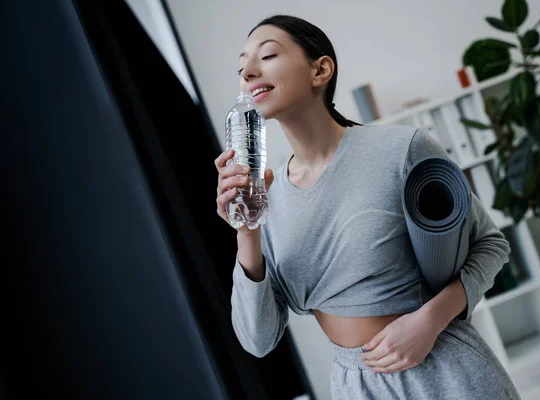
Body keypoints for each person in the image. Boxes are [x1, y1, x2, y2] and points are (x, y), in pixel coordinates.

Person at [214, 14, 520, 400]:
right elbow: (258, 341)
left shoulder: (400, 150)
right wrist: (247, 232)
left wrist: (431, 319)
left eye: (268, 54)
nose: (248, 72)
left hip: (445, 370)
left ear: (321, 69)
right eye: (241, 67)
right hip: (356, 387)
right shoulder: (266, 196)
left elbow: (491, 245)